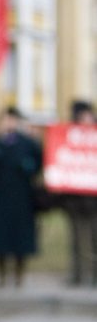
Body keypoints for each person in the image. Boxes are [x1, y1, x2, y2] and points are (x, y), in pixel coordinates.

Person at [0, 106, 42, 288]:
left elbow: (37, 164)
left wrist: (29, 161)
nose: (9, 123)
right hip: (0, 196)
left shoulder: (27, 142)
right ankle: (1, 274)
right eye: (6, 119)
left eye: (12, 119)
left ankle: (19, 274)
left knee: (20, 237)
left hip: (22, 197)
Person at [59, 100, 97, 286]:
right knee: (77, 240)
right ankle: (79, 275)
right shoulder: (68, 137)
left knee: (94, 240)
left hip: (94, 200)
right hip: (75, 201)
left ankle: (93, 275)